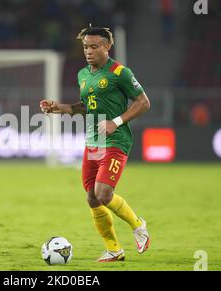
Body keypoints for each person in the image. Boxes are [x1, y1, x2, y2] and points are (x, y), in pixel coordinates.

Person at [40, 26, 151, 262]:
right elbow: (84, 107)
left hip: (116, 141)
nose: (88, 51)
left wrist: (117, 121)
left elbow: (143, 102)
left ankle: (138, 225)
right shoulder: (83, 74)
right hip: (93, 141)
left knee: (102, 193)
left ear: (107, 46)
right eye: (85, 47)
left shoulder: (120, 72)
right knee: (91, 198)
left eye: (94, 46)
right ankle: (114, 249)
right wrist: (58, 107)